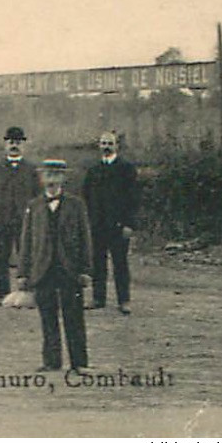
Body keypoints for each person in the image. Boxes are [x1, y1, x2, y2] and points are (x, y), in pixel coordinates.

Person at [16, 159, 92, 371]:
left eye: (56, 175)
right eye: (48, 175)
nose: (52, 180)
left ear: (63, 178)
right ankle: (51, 361)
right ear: (41, 179)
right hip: (43, 269)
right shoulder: (34, 206)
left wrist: (86, 269)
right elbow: (27, 241)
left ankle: (79, 362)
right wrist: (23, 273)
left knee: (74, 317)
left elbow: (85, 238)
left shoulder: (76, 205)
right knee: (47, 317)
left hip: (70, 269)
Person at [81, 130, 140, 315]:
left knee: (120, 264)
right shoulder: (93, 170)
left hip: (118, 226)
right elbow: (86, 197)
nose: (106, 146)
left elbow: (134, 199)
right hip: (97, 225)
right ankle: (98, 298)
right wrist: (88, 222)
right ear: (99, 146)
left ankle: (124, 300)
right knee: (98, 263)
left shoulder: (126, 168)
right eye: (103, 143)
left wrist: (129, 224)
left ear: (117, 146)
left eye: (110, 143)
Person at [0, 126, 42, 302]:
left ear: (23, 145)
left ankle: (28, 293)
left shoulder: (31, 170)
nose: (14, 146)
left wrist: (37, 219)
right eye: (10, 142)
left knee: (27, 257)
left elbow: (38, 197)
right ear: (5, 145)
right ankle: (3, 294)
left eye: (17, 142)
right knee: (0, 259)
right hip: (1, 220)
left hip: (24, 221)